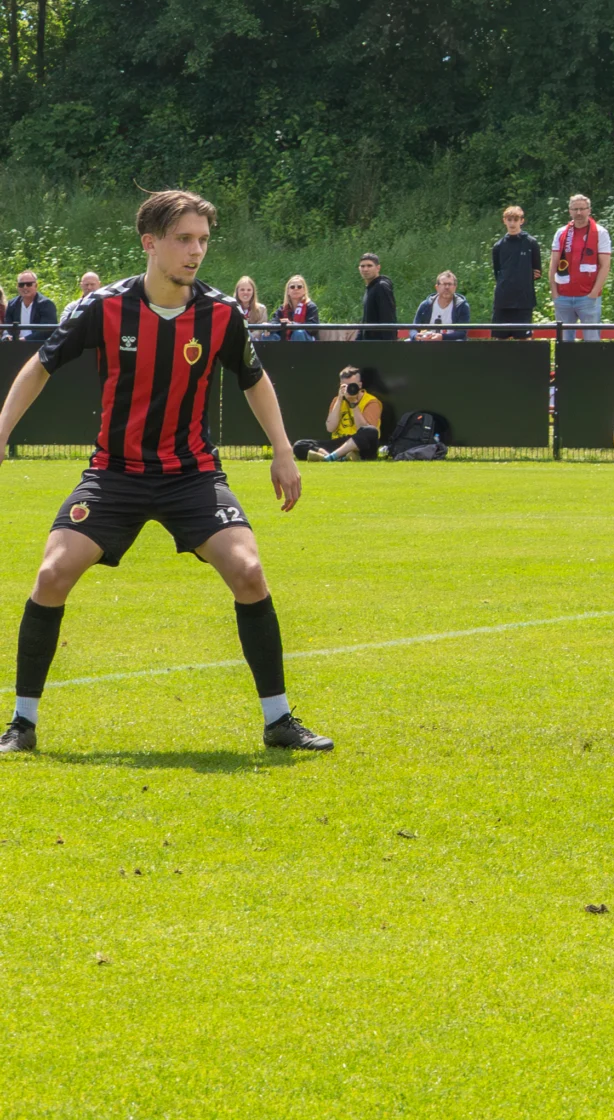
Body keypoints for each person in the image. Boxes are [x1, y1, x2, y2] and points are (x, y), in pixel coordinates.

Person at [0, 189, 330, 754]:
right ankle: (21, 725)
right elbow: (40, 365)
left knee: (249, 572)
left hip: (192, 475)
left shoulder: (220, 313)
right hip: (115, 474)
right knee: (52, 575)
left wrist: (282, 449)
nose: (196, 251)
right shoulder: (102, 306)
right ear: (150, 243)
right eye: (183, 239)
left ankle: (279, 722)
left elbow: (254, 379)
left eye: (203, 240)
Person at [550, 194, 610, 341]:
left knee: (591, 341)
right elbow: (553, 264)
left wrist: (594, 293)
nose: (579, 213)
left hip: (588, 297)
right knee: (564, 342)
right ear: (569, 211)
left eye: (582, 209)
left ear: (589, 210)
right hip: (563, 296)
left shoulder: (600, 233)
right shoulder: (561, 233)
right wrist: (554, 293)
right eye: (575, 209)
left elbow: (605, 265)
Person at [297, 366, 382, 461]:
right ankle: (335, 456)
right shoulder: (337, 400)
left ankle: (332, 457)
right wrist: (339, 400)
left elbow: (363, 429)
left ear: (360, 385)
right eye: (345, 386)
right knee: (300, 445)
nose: (349, 389)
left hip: (360, 444)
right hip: (340, 442)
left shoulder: (371, 402)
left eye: (352, 385)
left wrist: (353, 403)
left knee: (371, 431)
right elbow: (330, 428)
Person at [490, 204, 543, 339]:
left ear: (522, 221)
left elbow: (537, 272)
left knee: (524, 338)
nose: (512, 223)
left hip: (524, 300)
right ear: (504, 221)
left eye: (515, 219)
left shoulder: (531, 243)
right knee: (500, 338)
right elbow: (497, 273)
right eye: (509, 220)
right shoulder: (498, 246)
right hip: (503, 299)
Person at [410, 271, 470, 341]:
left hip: (452, 344)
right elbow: (414, 327)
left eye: (450, 284)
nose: (447, 287)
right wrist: (415, 336)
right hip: (427, 343)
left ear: (455, 287)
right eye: (444, 284)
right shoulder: (425, 305)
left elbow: (461, 333)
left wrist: (442, 337)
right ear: (437, 287)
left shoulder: (462, 306)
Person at [6, 272, 57, 342]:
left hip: (37, 344)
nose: (25, 287)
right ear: (17, 286)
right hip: (15, 344)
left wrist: (25, 339)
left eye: (29, 284)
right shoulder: (12, 304)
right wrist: (8, 336)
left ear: (36, 285)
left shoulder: (46, 304)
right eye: (21, 285)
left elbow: (46, 331)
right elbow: (7, 326)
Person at [357, 253, 397, 341]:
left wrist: (388, 344)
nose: (365, 269)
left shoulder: (381, 286)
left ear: (378, 268)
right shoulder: (370, 288)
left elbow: (388, 317)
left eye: (369, 266)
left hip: (379, 343)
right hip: (368, 342)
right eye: (362, 266)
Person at [274, 276, 319, 341]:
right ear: (288, 291)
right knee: (267, 335)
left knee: (298, 333)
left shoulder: (311, 307)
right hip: (285, 340)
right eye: (292, 287)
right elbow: (274, 322)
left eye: (299, 287)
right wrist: (268, 327)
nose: (296, 289)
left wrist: (292, 325)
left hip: (307, 340)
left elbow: (312, 328)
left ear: (304, 290)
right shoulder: (282, 308)